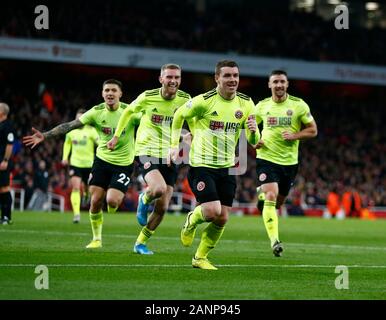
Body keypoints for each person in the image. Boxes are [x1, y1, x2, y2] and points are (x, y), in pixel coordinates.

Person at [23, 79, 141, 248]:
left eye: (114, 90)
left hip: (124, 163)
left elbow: (148, 126)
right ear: (102, 93)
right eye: (107, 90)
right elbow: (70, 125)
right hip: (102, 161)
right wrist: (45, 135)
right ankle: (96, 239)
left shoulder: (130, 112)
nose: (110, 93)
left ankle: (112, 202)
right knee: (95, 201)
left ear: (120, 94)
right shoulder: (96, 112)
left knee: (112, 202)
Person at [168, 60, 259, 270]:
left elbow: (254, 139)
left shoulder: (246, 103)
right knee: (211, 211)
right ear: (217, 78)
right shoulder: (204, 101)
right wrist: (174, 145)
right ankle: (191, 220)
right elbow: (179, 114)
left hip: (227, 167)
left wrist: (253, 130)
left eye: (235, 76)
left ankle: (200, 258)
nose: (232, 80)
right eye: (227, 76)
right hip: (202, 165)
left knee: (223, 217)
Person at [107, 64, 191, 255]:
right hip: (147, 150)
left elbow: (193, 120)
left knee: (162, 207)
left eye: (177, 77)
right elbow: (127, 112)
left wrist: (190, 136)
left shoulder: (185, 99)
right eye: (169, 77)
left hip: (170, 153)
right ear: (161, 79)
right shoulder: (147, 97)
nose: (173, 81)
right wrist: (117, 136)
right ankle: (144, 199)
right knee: (158, 189)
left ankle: (140, 243)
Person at [254, 70, 317, 257]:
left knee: (278, 203)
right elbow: (248, 127)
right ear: (269, 85)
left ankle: (262, 197)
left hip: (289, 163)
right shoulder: (262, 106)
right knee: (272, 195)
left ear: (287, 84)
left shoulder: (299, 105)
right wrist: (253, 140)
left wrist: (295, 135)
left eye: (282, 81)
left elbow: (313, 130)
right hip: (266, 158)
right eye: (275, 82)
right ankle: (275, 241)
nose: (279, 85)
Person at [62, 109, 98, 223]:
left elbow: (100, 142)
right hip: (75, 163)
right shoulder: (71, 132)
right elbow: (67, 144)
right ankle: (76, 214)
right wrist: (64, 158)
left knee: (88, 187)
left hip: (89, 164)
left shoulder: (92, 131)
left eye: (81, 119)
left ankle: (86, 194)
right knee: (76, 187)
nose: (79, 121)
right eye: (77, 118)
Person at [0, 103, 15, 225]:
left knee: (4, 188)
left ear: (3, 112)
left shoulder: (8, 126)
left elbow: (10, 145)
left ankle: (6, 216)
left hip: (3, 161)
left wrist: (5, 160)